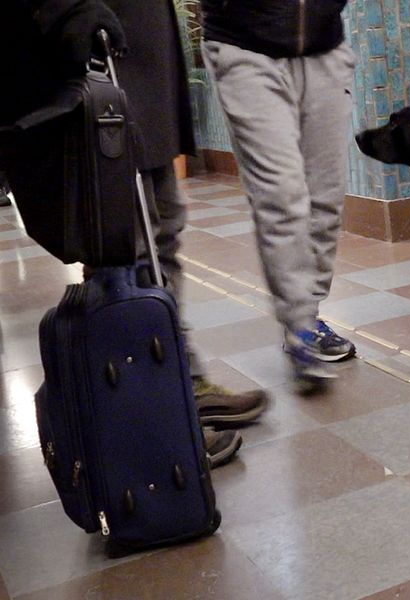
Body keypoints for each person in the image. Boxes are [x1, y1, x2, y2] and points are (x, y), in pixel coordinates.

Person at [0, 0, 269, 467]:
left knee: (161, 231)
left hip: (137, 59)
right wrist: (66, 10)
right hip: (89, 56)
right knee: (125, 247)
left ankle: (179, 380)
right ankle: (151, 421)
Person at [199, 0, 357, 391]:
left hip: (324, 50)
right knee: (282, 195)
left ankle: (310, 314)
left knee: (326, 197)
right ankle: (299, 326)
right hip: (246, 51)